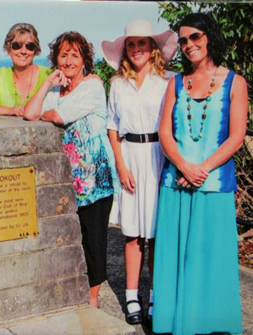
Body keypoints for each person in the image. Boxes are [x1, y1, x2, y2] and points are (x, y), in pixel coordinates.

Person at [153, 13, 247, 335]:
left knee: (211, 261)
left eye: (195, 37)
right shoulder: (175, 83)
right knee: (176, 259)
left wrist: (202, 169)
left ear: (209, 37)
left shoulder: (236, 82)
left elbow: (236, 136)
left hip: (214, 185)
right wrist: (184, 166)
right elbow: (165, 133)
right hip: (175, 184)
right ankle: (174, 325)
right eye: (183, 40)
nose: (189, 44)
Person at [24, 32, 118, 309]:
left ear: (85, 60)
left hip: (94, 177)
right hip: (67, 179)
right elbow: (31, 113)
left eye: (74, 55)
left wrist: (47, 111)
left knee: (94, 237)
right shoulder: (55, 90)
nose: (68, 61)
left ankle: (92, 298)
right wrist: (47, 82)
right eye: (63, 55)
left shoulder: (92, 87)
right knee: (67, 234)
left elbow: (58, 115)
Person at [101, 19, 177, 325]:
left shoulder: (170, 80)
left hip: (160, 155)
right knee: (132, 233)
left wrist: (169, 166)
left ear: (153, 47)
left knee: (156, 233)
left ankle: (157, 294)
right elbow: (112, 126)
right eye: (131, 44)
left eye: (141, 43)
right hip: (130, 156)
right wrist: (120, 165)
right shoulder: (118, 83)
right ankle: (132, 295)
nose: (136, 49)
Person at [0, 23, 52, 116]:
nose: (23, 51)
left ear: (35, 50)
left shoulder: (48, 74)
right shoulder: (2, 75)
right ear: (9, 49)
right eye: (17, 45)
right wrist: (11, 110)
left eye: (29, 46)